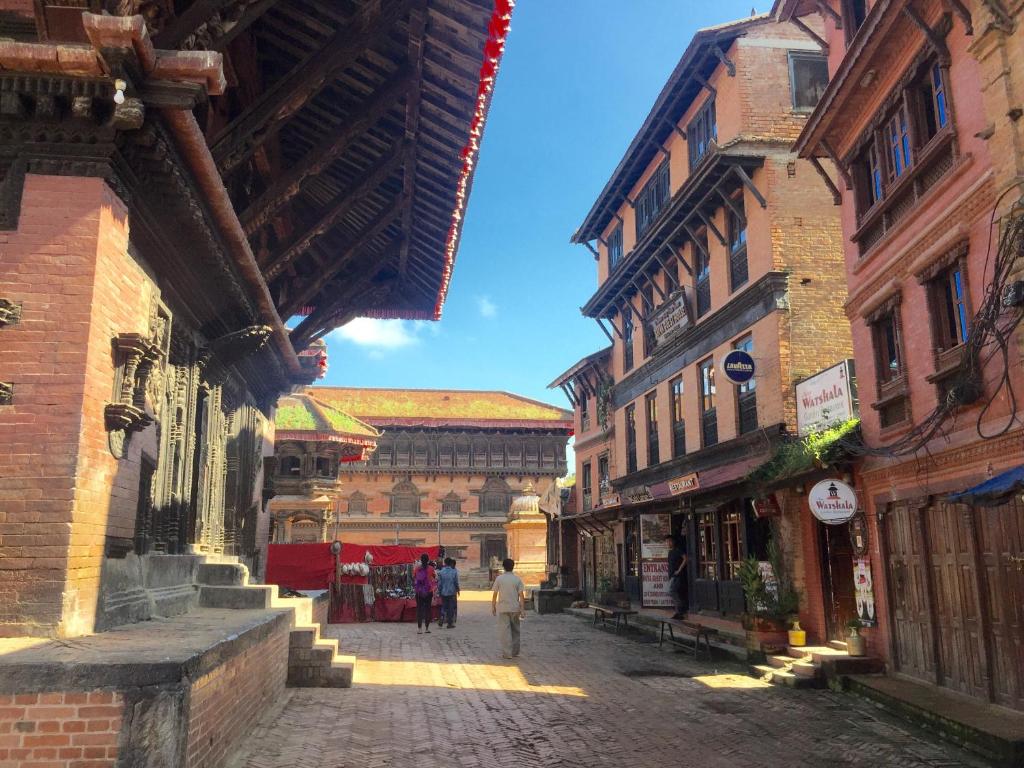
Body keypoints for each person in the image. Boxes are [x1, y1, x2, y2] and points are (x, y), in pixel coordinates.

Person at [491, 558, 526, 659]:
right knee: (515, 630)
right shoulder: (517, 579)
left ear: (504, 567)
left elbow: (495, 594)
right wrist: (522, 609)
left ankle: (507, 653)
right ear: (513, 566)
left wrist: (493, 606)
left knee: (504, 631)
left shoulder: (499, 579)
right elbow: (521, 595)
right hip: (515, 608)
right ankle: (515, 652)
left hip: (503, 608)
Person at [665, 533, 689, 619]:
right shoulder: (670, 552)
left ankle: (681, 609)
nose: (668, 543)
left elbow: (685, 558)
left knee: (671, 591)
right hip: (672, 575)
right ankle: (679, 611)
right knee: (673, 592)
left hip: (677, 576)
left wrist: (679, 570)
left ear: (673, 542)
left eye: (669, 541)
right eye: (666, 542)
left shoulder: (677, 550)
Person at [412, 553, 437, 634]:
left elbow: (414, 578)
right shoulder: (431, 568)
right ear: (428, 560)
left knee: (419, 610)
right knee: (427, 609)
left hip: (419, 592)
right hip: (428, 592)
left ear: (421, 560)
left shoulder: (417, 568)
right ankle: (427, 628)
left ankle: (419, 629)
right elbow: (435, 578)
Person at [437, 557, 461, 629]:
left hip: (444, 592)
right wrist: (458, 589)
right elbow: (456, 582)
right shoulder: (454, 572)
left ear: (445, 563)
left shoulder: (441, 572)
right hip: (452, 592)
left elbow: (439, 584)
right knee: (451, 608)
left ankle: (441, 616)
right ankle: (449, 623)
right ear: (450, 563)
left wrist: (440, 591)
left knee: (444, 606)